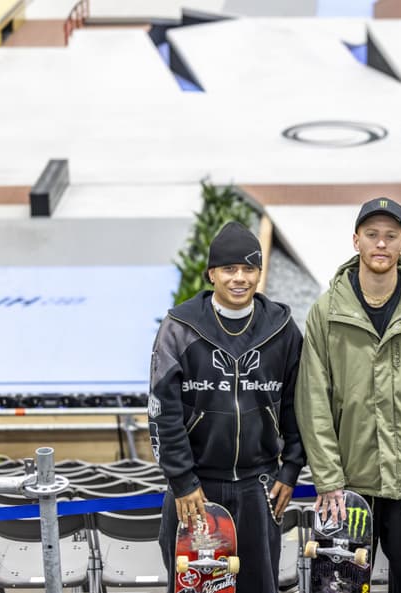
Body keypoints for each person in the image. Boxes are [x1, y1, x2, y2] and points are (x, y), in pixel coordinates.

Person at [295, 197, 401, 593]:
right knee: (341, 584)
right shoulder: (327, 311)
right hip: (347, 483)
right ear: (356, 241)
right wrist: (328, 478)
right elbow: (313, 398)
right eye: (372, 235)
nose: (381, 244)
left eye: (390, 236)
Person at [149, 221, 305, 593]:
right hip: (195, 491)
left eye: (249, 269)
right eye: (230, 269)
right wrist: (183, 481)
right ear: (212, 274)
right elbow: (162, 411)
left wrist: (291, 469)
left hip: (259, 487)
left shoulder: (282, 329)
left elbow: (300, 405)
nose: (240, 278)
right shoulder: (179, 328)